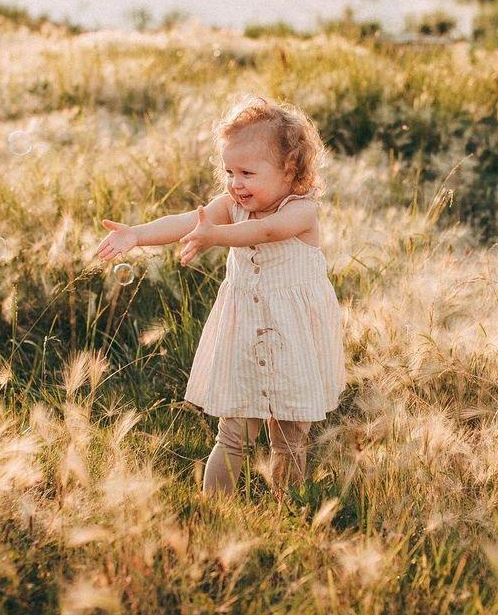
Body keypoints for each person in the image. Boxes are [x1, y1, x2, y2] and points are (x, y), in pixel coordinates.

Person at [92, 95, 347, 500]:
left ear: (290, 170)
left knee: (290, 435)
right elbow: (185, 222)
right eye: (229, 171)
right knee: (233, 433)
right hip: (244, 334)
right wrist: (137, 234)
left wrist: (214, 237)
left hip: (293, 336)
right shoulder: (231, 206)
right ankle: (217, 509)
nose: (235, 183)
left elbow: (263, 233)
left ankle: (290, 508)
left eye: (247, 172)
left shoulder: (302, 211)